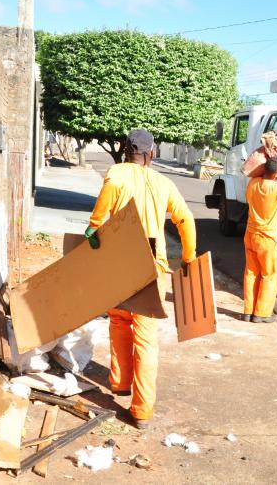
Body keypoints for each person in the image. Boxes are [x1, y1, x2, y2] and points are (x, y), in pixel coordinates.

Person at [84, 128, 196, 429]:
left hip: (120, 264)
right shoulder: (164, 182)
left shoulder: (116, 174)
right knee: (145, 339)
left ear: (125, 150)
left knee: (119, 321)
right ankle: (141, 411)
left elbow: (98, 218)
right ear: (152, 153)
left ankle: (119, 382)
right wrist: (188, 256)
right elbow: (185, 219)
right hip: (151, 267)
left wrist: (93, 231)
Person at [243, 156, 277, 323]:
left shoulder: (253, 184)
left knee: (251, 273)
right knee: (270, 275)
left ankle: (247, 312)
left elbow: (254, 177)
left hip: (250, 235)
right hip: (267, 239)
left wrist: (269, 172)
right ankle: (262, 313)